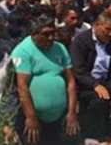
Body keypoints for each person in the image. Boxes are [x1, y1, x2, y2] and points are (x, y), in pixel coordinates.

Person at [12, 16, 79, 145]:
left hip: (60, 117)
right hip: (34, 118)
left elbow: (70, 82)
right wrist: (31, 117)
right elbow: (22, 87)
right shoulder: (23, 51)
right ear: (34, 34)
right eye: (46, 34)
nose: (51, 38)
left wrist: (72, 113)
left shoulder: (60, 48)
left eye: (53, 33)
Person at [71, 15, 111, 141]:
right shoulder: (81, 41)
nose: (110, 33)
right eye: (107, 29)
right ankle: (93, 135)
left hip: (106, 80)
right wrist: (95, 85)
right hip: (87, 83)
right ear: (96, 26)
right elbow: (79, 71)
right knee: (99, 100)